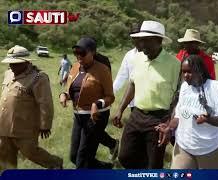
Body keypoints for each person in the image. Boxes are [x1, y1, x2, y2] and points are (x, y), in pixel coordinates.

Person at [112, 20, 181, 169]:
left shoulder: (174, 64)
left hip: (158, 119)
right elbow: (132, 85)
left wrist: (169, 124)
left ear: (158, 40)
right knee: (125, 156)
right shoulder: (137, 58)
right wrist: (120, 109)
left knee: (154, 165)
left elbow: (178, 96)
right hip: (136, 115)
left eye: (146, 41)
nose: (141, 45)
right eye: (140, 40)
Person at [156, 55, 218, 169]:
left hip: (209, 148)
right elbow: (178, 116)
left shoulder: (216, 88)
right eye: (183, 72)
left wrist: (207, 119)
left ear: (200, 71)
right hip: (184, 146)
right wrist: (169, 128)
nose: (185, 76)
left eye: (189, 72)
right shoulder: (185, 87)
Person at [0, 45, 62, 170]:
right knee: (5, 156)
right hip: (4, 126)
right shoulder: (8, 74)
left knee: (30, 152)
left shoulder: (38, 77)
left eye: (16, 63)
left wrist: (45, 125)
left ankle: (55, 164)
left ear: (26, 62)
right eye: (10, 63)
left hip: (24, 126)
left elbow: (45, 103)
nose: (12, 66)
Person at [59, 37, 116, 169]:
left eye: (83, 53)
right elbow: (72, 90)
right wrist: (64, 95)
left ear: (93, 53)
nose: (79, 56)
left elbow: (110, 96)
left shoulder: (102, 70)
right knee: (74, 156)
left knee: (82, 160)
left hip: (95, 117)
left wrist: (97, 104)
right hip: (78, 116)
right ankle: (105, 168)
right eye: (76, 53)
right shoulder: (75, 67)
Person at [113, 23, 142, 111]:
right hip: (134, 102)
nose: (136, 39)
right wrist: (110, 93)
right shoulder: (129, 55)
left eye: (139, 36)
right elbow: (121, 77)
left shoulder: (151, 55)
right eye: (134, 36)